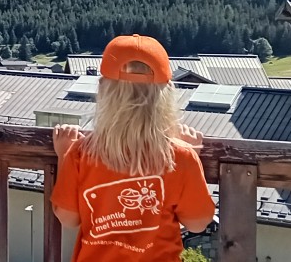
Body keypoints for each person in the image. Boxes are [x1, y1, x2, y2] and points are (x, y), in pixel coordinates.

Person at [51, 34, 216, 260]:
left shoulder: (80, 152)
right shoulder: (181, 157)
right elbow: (198, 223)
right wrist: (192, 156)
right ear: (166, 93)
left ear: (103, 90)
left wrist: (64, 154)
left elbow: (68, 219)